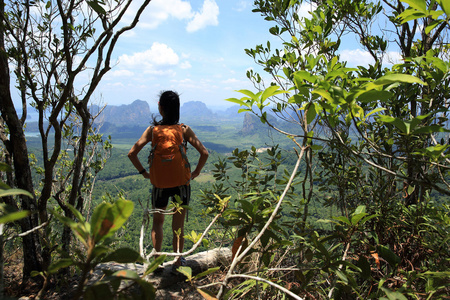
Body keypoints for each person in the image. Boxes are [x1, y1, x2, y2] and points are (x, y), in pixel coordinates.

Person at [128, 90, 208, 269]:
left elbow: (132, 153)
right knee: (177, 225)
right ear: (177, 109)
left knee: (158, 222)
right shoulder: (184, 130)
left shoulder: (152, 131)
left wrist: (144, 173)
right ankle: (179, 261)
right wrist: (195, 173)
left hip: (159, 184)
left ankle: (156, 261)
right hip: (181, 183)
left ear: (160, 108)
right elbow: (204, 152)